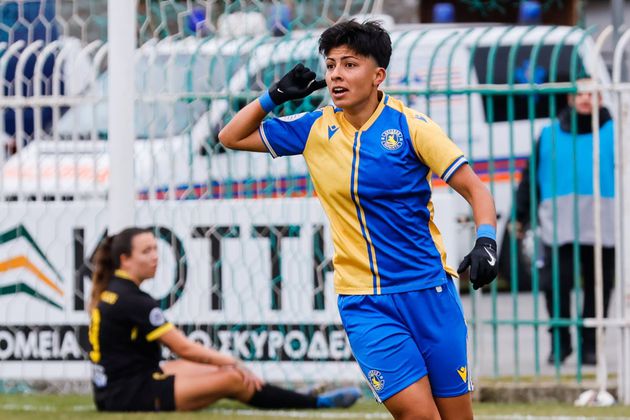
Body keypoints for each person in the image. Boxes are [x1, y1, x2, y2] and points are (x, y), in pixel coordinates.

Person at [219, 20, 497, 420]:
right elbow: (230, 137)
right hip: (364, 301)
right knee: (418, 415)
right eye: (331, 65)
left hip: (429, 291)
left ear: (378, 75)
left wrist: (486, 241)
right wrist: (273, 97)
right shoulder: (314, 128)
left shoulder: (411, 127)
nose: (336, 74)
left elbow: (476, 190)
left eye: (350, 65)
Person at [87, 227, 361, 412]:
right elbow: (184, 347)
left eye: (156, 249)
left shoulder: (116, 290)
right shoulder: (133, 299)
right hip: (129, 395)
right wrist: (232, 361)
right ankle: (316, 403)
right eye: (146, 251)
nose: (156, 257)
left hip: (115, 388)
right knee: (232, 377)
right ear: (125, 259)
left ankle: (294, 395)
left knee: (204, 369)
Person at [515, 78, 615, 366]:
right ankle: (561, 342)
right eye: (579, 94)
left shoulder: (615, 132)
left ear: (600, 99)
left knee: (599, 288)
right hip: (558, 226)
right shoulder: (548, 135)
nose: (584, 99)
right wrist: (520, 215)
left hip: (603, 225)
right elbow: (530, 177)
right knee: (556, 286)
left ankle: (591, 345)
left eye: (591, 94)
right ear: (569, 99)